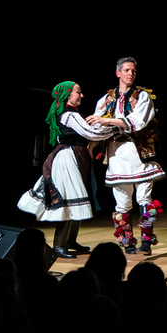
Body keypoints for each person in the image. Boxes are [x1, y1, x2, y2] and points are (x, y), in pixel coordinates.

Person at [18, 81, 119, 258]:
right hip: (67, 159)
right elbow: (90, 133)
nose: (82, 95)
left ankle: (71, 240)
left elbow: (88, 131)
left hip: (76, 157)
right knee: (69, 199)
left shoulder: (72, 114)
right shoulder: (68, 115)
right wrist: (115, 128)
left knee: (79, 199)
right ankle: (59, 244)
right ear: (68, 95)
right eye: (78, 92)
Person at [87, 57, 165, 255]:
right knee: (121, 202)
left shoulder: (142, 97)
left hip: (138, 153)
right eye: (127, 70)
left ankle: (146, 240)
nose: (130, 73)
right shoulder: (105, 100)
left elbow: (137, 121)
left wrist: (107, 121)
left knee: (145, 199)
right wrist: (91, 143)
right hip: (116, 154)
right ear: (118, 73)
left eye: (133, 71)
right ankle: (127, 241)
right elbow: (96, 123)